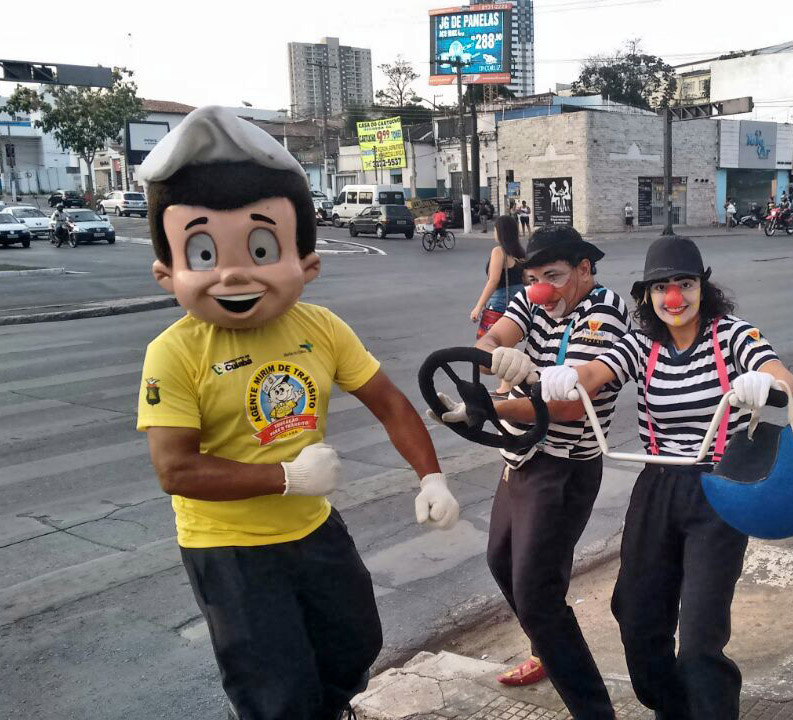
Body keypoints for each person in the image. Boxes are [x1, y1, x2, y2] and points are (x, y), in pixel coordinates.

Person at [135, 106, 461, 720]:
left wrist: (432, 477)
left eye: (261, 248)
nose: (233, 271)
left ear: (307, 264)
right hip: (228, 548)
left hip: (313, 528)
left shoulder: (320, 327)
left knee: (356, 642)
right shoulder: (173, 352)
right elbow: (175, 469)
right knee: (275, 690)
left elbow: (389, 403)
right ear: (167, 272)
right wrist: (285, 477)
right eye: (202, 253)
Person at [537, 235, 793, 719]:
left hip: (719, 489)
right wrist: (568, 376)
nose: (674, 297)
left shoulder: (732, 334)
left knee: (699, 639)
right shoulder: (641, 344)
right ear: (648, 295)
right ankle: (674, 710)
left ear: (702, 287)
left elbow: (782, 376)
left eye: (684, 284)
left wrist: (764, 383)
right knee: (636, 618)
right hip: (657, 487)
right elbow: (597, 372)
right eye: (661, 287)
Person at [433, 226, 630, 719]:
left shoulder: (603, 311)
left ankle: (594, 711)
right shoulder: (533, 299)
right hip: (520, 456)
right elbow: (489, 341)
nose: (542, 289)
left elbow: (568, 406)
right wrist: (496, 354)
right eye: (534, 277)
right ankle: (546, 649)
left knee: (537, 595)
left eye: (554, 276)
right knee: (501, 562)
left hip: (564, 468)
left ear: (584, 269)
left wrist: (492, 405)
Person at [471, 216, 527, 394]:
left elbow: (493, 280)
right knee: (508, 345)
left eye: (495, 229)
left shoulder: (499, 251)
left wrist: (479, 306)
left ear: (500, 232)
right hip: (519, 303)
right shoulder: (520, 253)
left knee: (492, 344)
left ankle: (506, 386)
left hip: (500, 303)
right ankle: (506, 385)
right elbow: (526, 280)